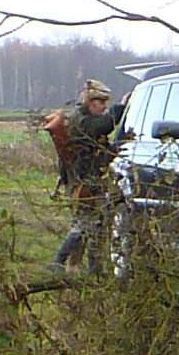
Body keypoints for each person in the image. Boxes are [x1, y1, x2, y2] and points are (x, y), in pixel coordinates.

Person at [43, 77, 126, 270]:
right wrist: (121, 106)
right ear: (90, 102)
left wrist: (119, 146)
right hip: (84, 182)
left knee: (91, 226)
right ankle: (59, 261)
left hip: (86, 180)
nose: (105, 106)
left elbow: (100, 152)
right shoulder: (83, 121)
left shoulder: (82, 120)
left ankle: (82, 268)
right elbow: (105, 125)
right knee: (86, 225)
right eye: (101, 102)